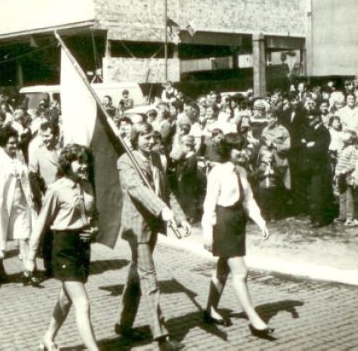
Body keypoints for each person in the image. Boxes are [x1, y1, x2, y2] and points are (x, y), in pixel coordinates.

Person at [115, 123, 190, 351]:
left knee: (137, 274)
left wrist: (179, 217)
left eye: (152, 137)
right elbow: (137, 189)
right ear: (134, 138)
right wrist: (162, 210)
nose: (149, 141)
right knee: (149, 279)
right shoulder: (125, 161)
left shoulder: (156, 157)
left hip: (153, 223)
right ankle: (161, 338)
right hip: (137, 227)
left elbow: (165, 190)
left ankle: (124, 324)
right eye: (144, 137)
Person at [25, 144, 99, 351]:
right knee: (82, 303)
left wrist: (94, 229)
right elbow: (41, 222)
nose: (84, 166)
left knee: (66, 299)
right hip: (64, 246)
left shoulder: (88, 185)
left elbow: (95, 216)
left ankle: (47, 339)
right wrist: (30, 256)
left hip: (82, 245)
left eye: (86, 161)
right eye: (79, 162)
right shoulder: (56, 189)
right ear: (67, 164)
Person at [201, 133, 273, 338]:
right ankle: (255, 321)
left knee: (223, 269)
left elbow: (248, 200)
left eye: (243, 147)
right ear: (227, 151)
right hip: (223, 223)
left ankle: (210, 310)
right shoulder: (217, 172)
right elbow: (209, 204)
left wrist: (260, 222)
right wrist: (207, 232)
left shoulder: (241, 170)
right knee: (240, 272)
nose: (242, 151)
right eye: (237, 148)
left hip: (237, 222)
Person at [0, 126, 36, 282]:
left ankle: (28, 270)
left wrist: (31, 197)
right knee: (0, 236)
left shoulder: (19, 156)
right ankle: (0, 268)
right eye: (11, 143)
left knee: (24, 235)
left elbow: (25, 178)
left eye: (16, 143)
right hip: (3, 204)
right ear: (2, 144)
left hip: (21, 202)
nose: (14, 146)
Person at [28, 120, 61, 278]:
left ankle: (61, 261)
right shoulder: (37, 153)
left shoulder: (63, 151)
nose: (45, 139)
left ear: (56, 135)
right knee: (48, 233)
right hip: (46, 197)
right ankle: (49, 266)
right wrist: (39, 197)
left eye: (47, 135)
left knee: (62, 230)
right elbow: (33, 177)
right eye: (42, 136)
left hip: (64, 197)